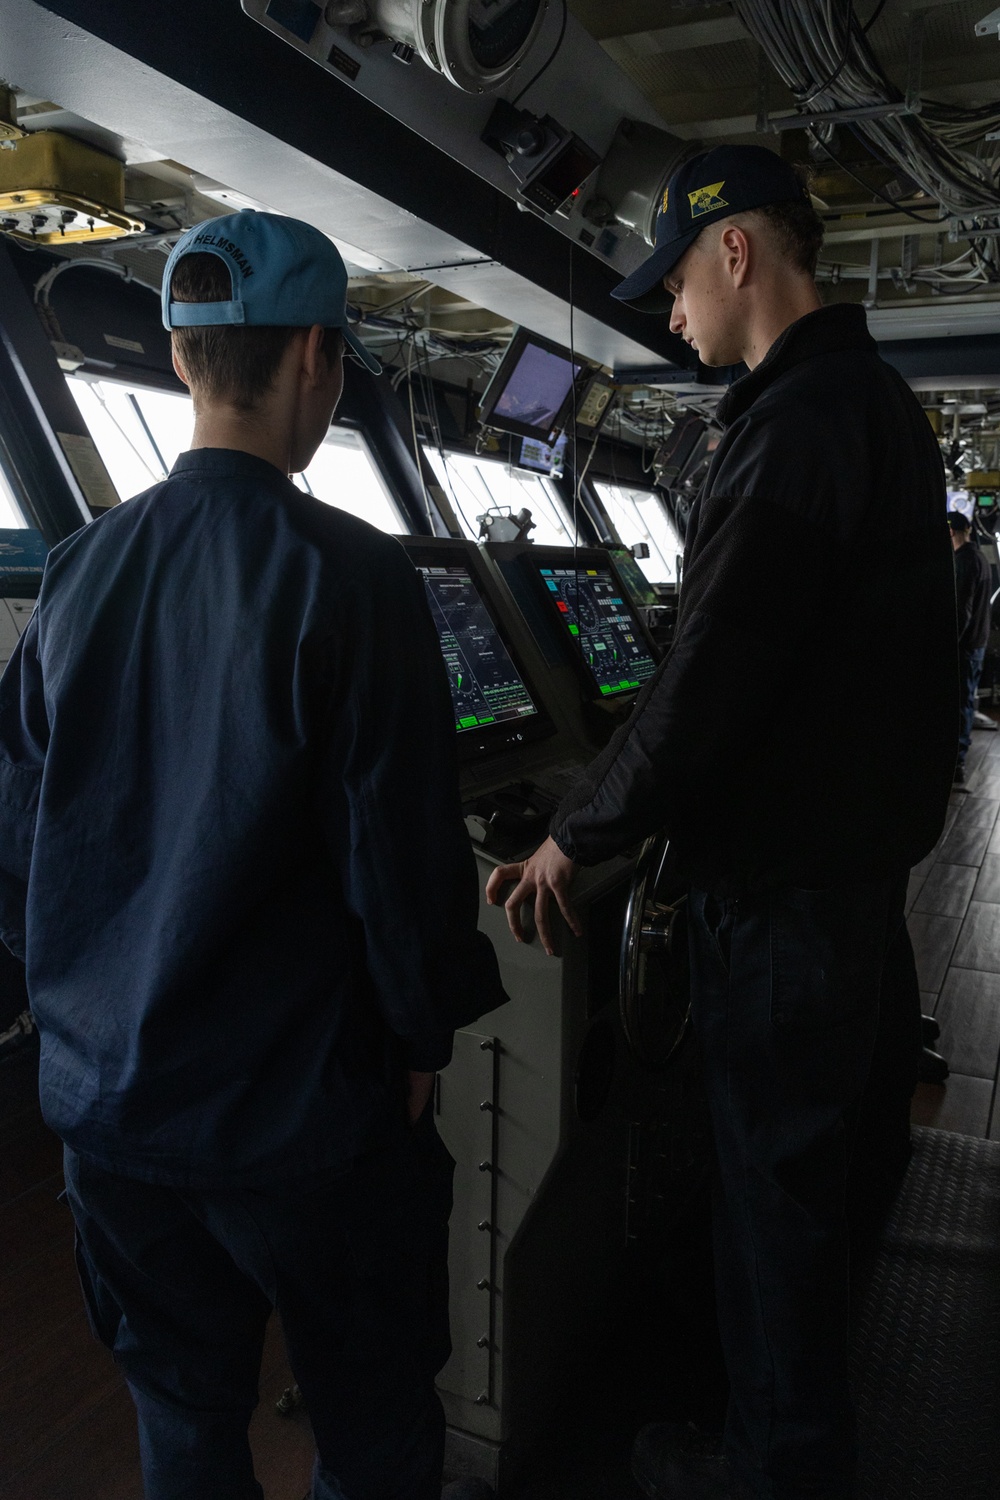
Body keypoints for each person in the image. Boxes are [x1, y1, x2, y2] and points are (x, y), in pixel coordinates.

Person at [0, 209, 506, 1500]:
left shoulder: (75, 574)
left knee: (182, 1420)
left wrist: (85, 1018)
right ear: (320, 365)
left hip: (110, 1123)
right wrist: (421, 1040)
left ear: (179, 360)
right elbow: (398, 863)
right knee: (374, 1426)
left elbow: (16, 843)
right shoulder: (359, 581)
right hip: (305, 1124)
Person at [486, 144, 957, 1500]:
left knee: (774, 1210)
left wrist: (581, 835)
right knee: (803, 1191)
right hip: (846, 874)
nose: (673, 316)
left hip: (788, 897)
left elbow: (713, 678)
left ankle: (774, 1469)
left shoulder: (798, 425)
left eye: (679, 282)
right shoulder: (865, 405)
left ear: (737, 252)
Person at [948, 509, 992, 784]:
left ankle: (957, 763)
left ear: (951, 532)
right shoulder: (981, 557)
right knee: (966, 699)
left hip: (965, 645)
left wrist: (949, 644)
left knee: (962, 703)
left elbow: (961, 609)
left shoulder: (964, 561)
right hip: (978, 642)